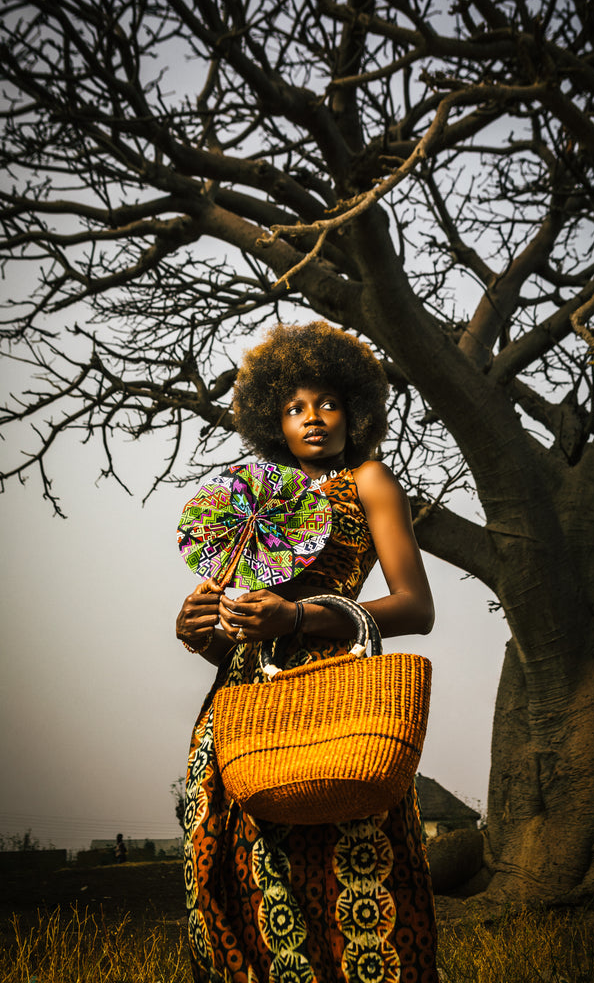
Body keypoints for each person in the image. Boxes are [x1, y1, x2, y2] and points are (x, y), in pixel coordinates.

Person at [176, 321, 439, 982]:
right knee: (236, 877)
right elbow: (241, 637)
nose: (313, 418)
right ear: (274, 422)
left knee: (352, 866)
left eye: (326, 403)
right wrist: (201, 631)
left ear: (355, 411)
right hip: (242, 706)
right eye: (294, 408)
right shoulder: (252, 496)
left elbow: (415, 607)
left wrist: (297, 613)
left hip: (337, 696)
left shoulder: (369, 481)